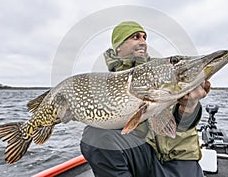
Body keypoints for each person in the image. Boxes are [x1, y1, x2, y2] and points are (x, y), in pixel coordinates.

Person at [80, 21, 211, 177]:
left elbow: (182, 123)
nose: (143, 42)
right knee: (94, 137)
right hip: (144, 157)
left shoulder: (164, 70)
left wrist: (189, 106)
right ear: (118, 46)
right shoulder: (107, 84)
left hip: (179, 158)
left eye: (144, 37)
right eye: (136, 37)